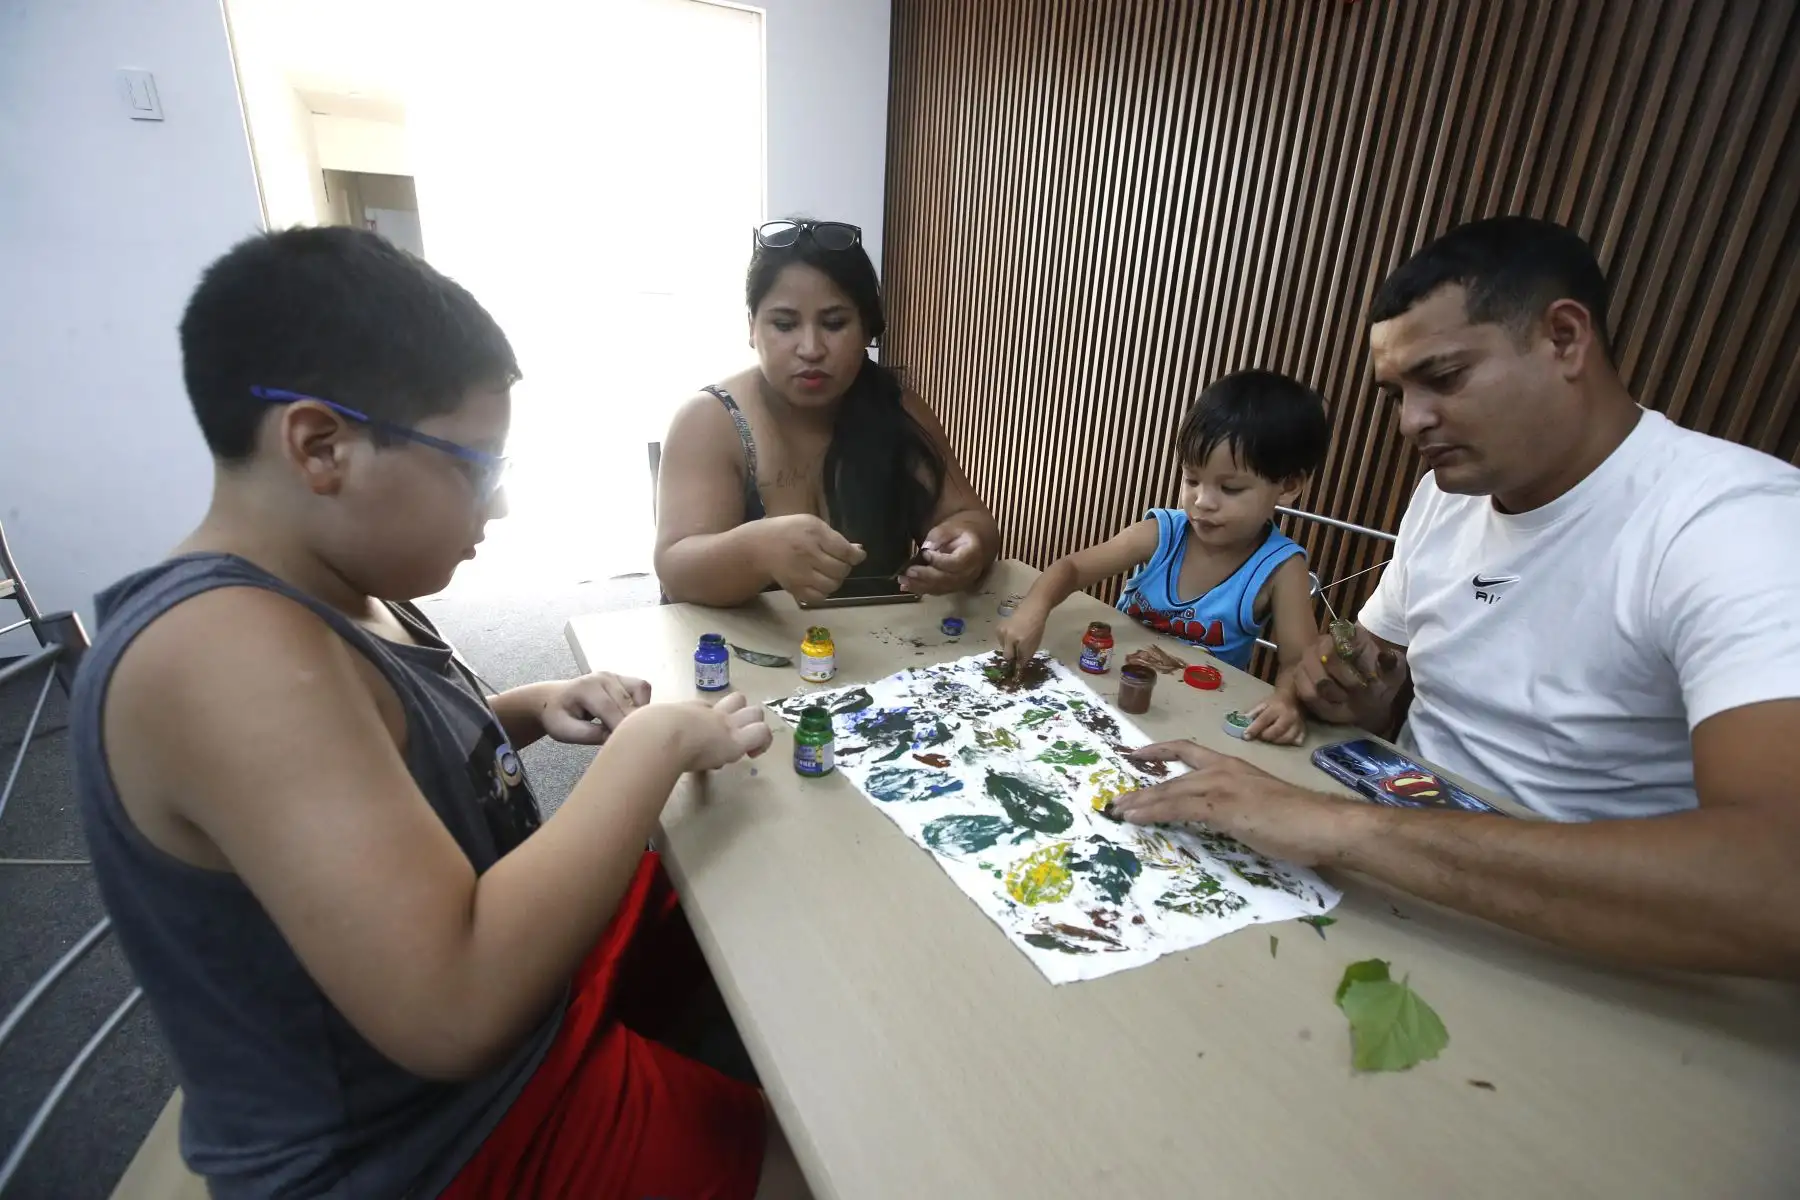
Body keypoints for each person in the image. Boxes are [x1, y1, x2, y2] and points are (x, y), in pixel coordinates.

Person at [71, 227, 811, 1199]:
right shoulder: (224, 656)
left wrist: (533, 709)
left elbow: (380, 761)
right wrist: (658, 741)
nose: (496, 509)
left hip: (504, 1052)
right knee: (829, 1160)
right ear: (320, 445)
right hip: (430, 1145)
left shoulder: (336, 586)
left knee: (740, 921)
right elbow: (455, 1005)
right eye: (476, 468)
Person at [1110, 216, 1800, 979]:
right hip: (1392, 865)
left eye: (1443, 379)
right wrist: (1346, 694)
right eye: (1395, 394)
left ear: (1565, 339)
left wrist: (1340, 828)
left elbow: (1774, 882)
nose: (1411, 422)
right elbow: (1376, 692)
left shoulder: (1739, 522)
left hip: (1577, 950)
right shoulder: (1448, 495)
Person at [654, 218, 999, 606]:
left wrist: (970, 545)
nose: (811, 348)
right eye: (784, 324)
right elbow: (676, 571)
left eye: (834, 323)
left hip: (882, 647)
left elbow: (971, 519)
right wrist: (757, 550)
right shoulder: (709, 421)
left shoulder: (896, 404)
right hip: (741, 653)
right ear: (752, 328)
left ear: (868, 329)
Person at [996, 370, 1330, 743]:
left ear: (1288, 486)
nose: (1202, 501)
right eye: (1191, 480)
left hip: (1191, 721)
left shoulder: (1282, 567)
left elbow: (1297, 663)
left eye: (1230, 488)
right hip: (1106, 692)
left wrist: (1286, 701)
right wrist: (1035, 606)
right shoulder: (1163, 533)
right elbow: (1072, 568)